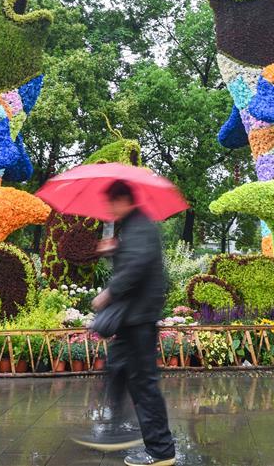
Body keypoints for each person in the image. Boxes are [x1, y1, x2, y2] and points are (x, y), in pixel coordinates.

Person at [72, 180, 177, 466]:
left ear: (123, 200)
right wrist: (114, 251)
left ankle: (161, 451)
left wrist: (109, 292)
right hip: (131, 318)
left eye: (111, 203)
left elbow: (138, 265)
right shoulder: (133, 226)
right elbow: (132, 259)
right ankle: (118, 431)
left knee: (144, 384)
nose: (108, 208)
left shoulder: (140, 225)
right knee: (116, 370)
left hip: (139, 318)